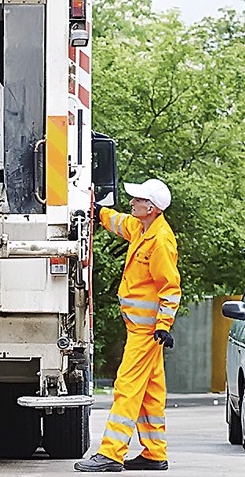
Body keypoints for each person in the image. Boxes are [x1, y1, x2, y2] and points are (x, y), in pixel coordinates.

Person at [75, 178, 181, 472]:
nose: (131, 202)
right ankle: (154, 453)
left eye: (137, 200)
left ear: (151, 207)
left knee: (127, 388)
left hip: (147, 332)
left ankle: (111, 453)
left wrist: (163, 325)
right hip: (142, 328)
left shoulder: (160, 240)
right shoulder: (143, 228)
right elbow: (120, 222)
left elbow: (170, 287)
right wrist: (98, 213)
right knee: (150, 392)